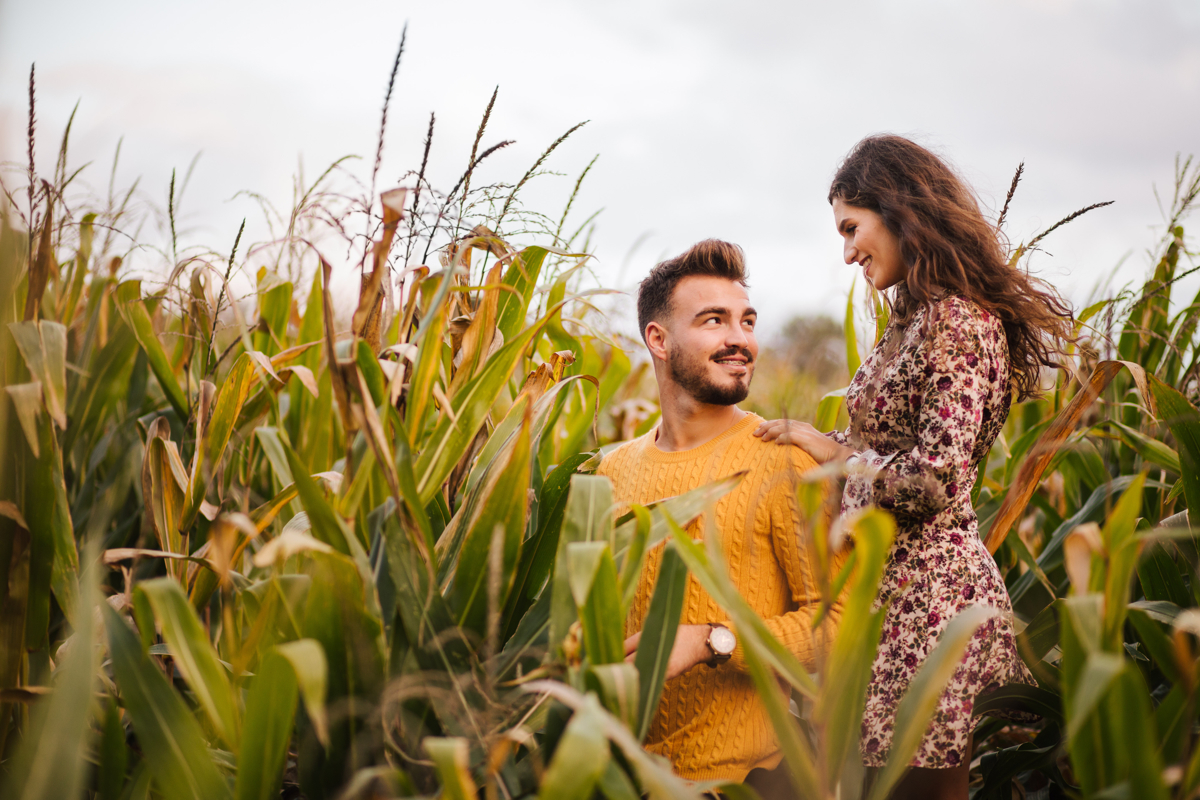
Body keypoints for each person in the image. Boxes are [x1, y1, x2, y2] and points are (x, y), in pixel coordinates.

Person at [755, 134, 1073, 800]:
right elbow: (889, 439)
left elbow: (936, 479)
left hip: (930, 604)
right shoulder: (914, 318)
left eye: (852, 228)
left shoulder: (957, 321)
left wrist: (838, 458)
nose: (846, 251)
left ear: (899, 211)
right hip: (886, 597)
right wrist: (813, 440)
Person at [597, 239, 847, 793]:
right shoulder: (610, 474)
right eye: (714, 320)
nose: (741, 340)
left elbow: (842, 624)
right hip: (622, 778)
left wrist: (714, 641)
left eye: (747, 321)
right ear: (658, 340)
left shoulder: (783, 463)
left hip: (749, 783)